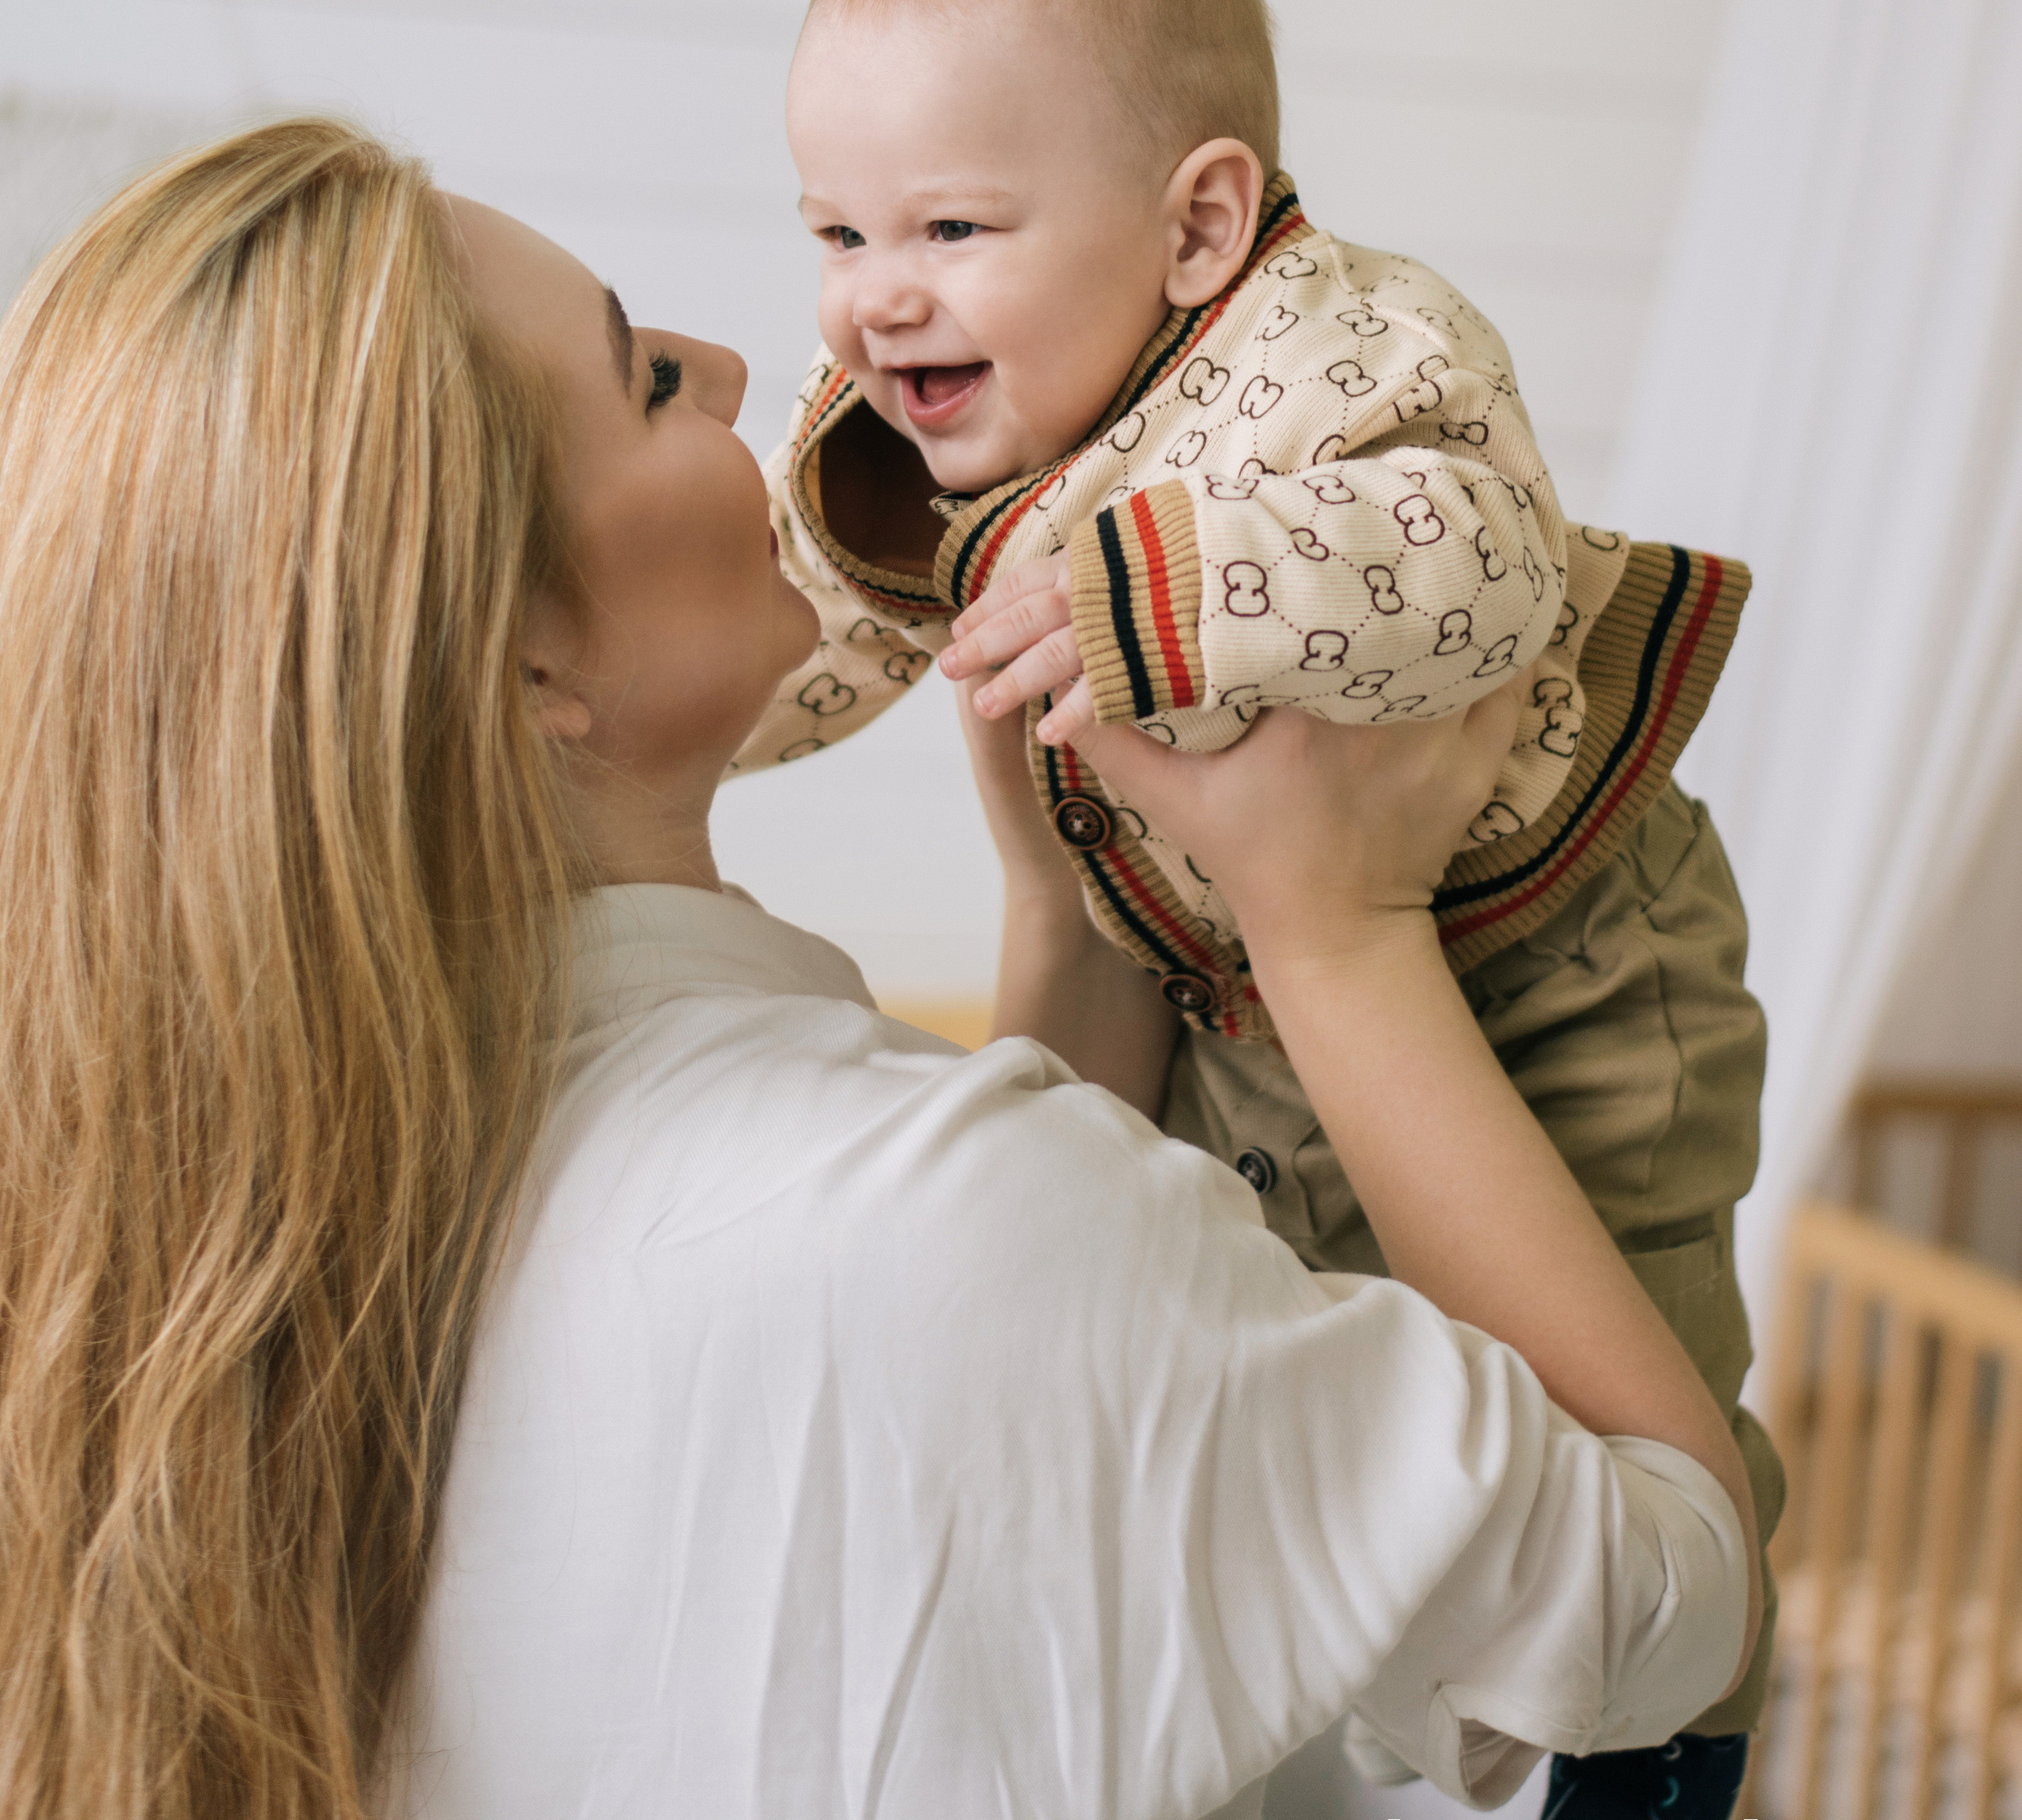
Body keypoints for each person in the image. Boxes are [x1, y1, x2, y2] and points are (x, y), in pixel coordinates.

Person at [0, 119, 1754, 1820]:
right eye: (644, 381)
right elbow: (1658, 1606)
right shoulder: (918, 1211)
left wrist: (1069, 906)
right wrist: (1335, 934)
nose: (743, 360)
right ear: (526, 667)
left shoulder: (279, 1243)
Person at [733, 0, 1781, 1806]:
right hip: (1241, 989)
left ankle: (1635, 1702)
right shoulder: (981, 421)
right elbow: (830, 629)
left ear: (1198, 226)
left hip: (1561, 954)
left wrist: (1155, 595)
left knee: (1618, 1350)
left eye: (948, 227)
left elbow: (1470, 555)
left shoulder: (1339, 349)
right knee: (1327, 1330)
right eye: (834, 232)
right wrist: (681, 744)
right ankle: (1453, 1640)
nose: (874, 298)